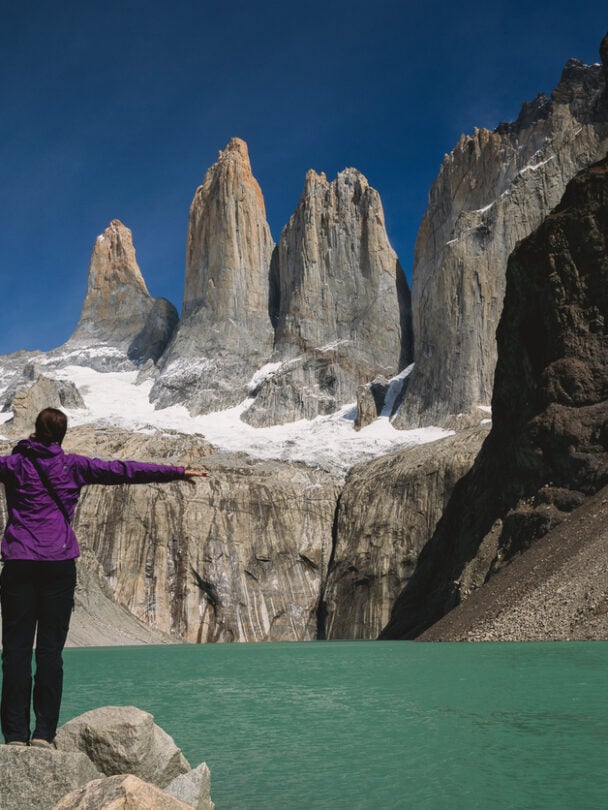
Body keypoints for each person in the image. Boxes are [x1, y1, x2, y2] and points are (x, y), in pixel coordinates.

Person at [0, 407, 207, 747]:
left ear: (35, 431)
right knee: (50, 652)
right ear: (63, 436)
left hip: (20, 563)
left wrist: (21, 448)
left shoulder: (13, 465)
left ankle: (14, 736)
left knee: (16, 653)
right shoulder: (73, 466)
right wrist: (177, 471)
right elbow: (125, 471)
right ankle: (44, 734)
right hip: (58, 565)